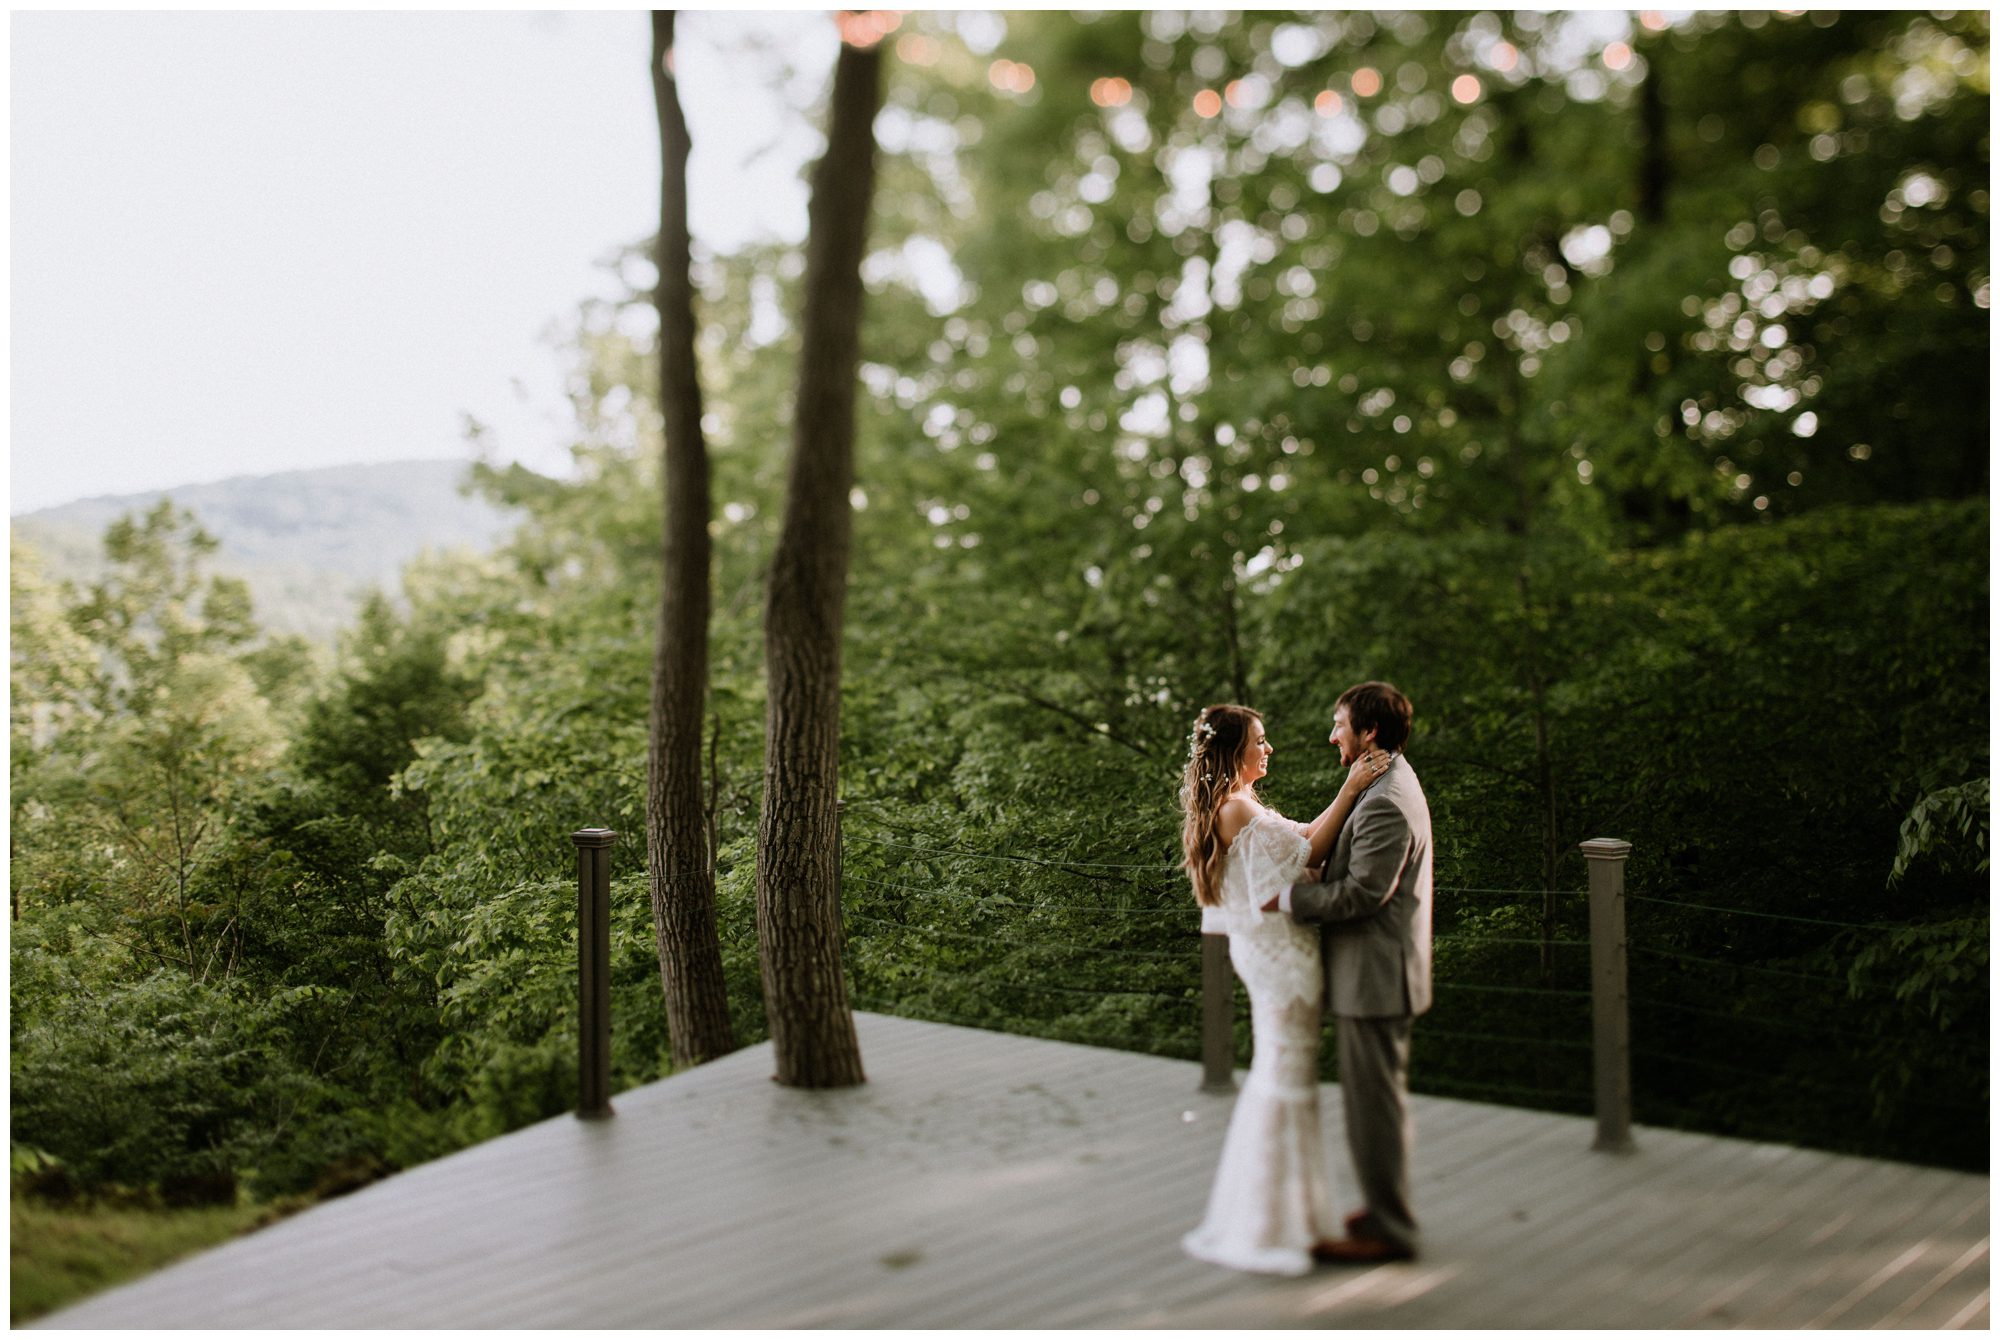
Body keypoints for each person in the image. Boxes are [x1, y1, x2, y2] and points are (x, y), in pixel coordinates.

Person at [1179, 703, 1392, 1276]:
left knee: (1280, 1076)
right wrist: (1350, 788)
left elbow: (1298, 842)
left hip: (1273, 954)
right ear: (1233, 751)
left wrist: (1336, 807)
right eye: (1261, 741)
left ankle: (1283, 1214)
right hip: (1281, 962)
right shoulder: (1237, 808)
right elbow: (1312, 851)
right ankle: (1275, 1224)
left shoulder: (1238, 806)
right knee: (1287, 1080)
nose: (1268, 749)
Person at [1271, 681, 1433, 1263]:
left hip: (1376, 977)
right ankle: (1383, 1205)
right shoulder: (1390, 781)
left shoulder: (1386, 798)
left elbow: (1365, 893)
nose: (1330, 734)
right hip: (1379, 973)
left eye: (1339, 724)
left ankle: (1391, 1231)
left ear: (1368, 733)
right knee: (1378, 1103)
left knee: (1374, 1108)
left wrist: (1290, 900)